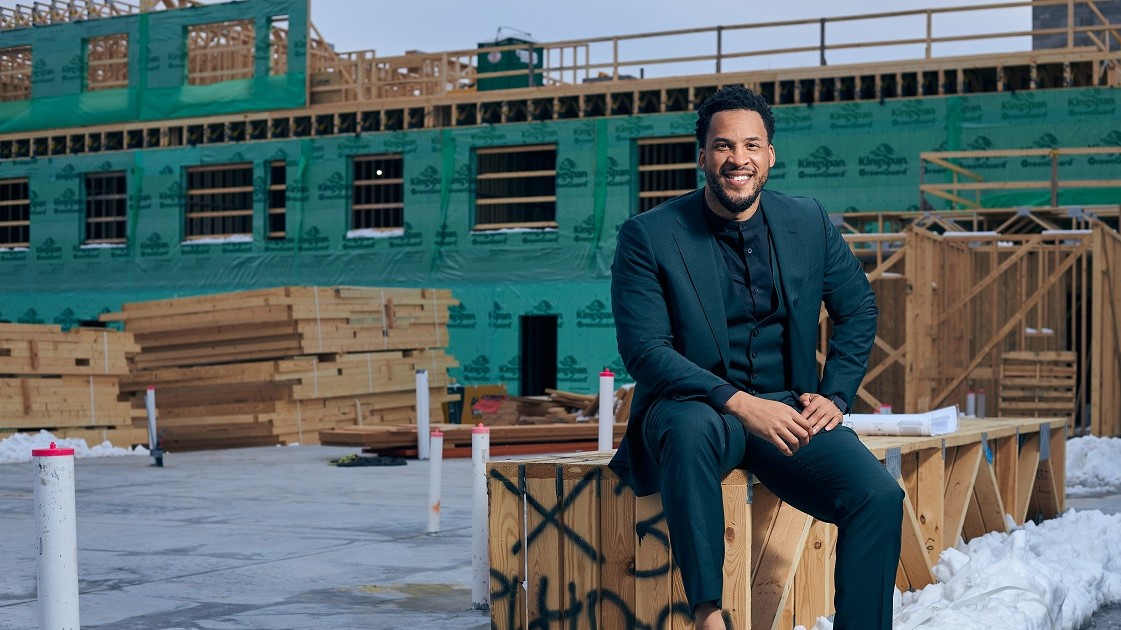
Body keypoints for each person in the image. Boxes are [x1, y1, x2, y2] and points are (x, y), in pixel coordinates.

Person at [609, 84, 903, 630]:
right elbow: (645, 352)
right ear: (703, 156)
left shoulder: (807, 221)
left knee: (879, 497)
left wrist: (835, 394)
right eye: (723, 146)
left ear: (770, 154)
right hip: (693, 407)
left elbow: (858, 308)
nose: (737, 159)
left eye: (751, 145)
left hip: (788, 412)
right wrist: (741, 403)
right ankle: (707, 612)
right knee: (692, 427)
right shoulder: (648, 237)